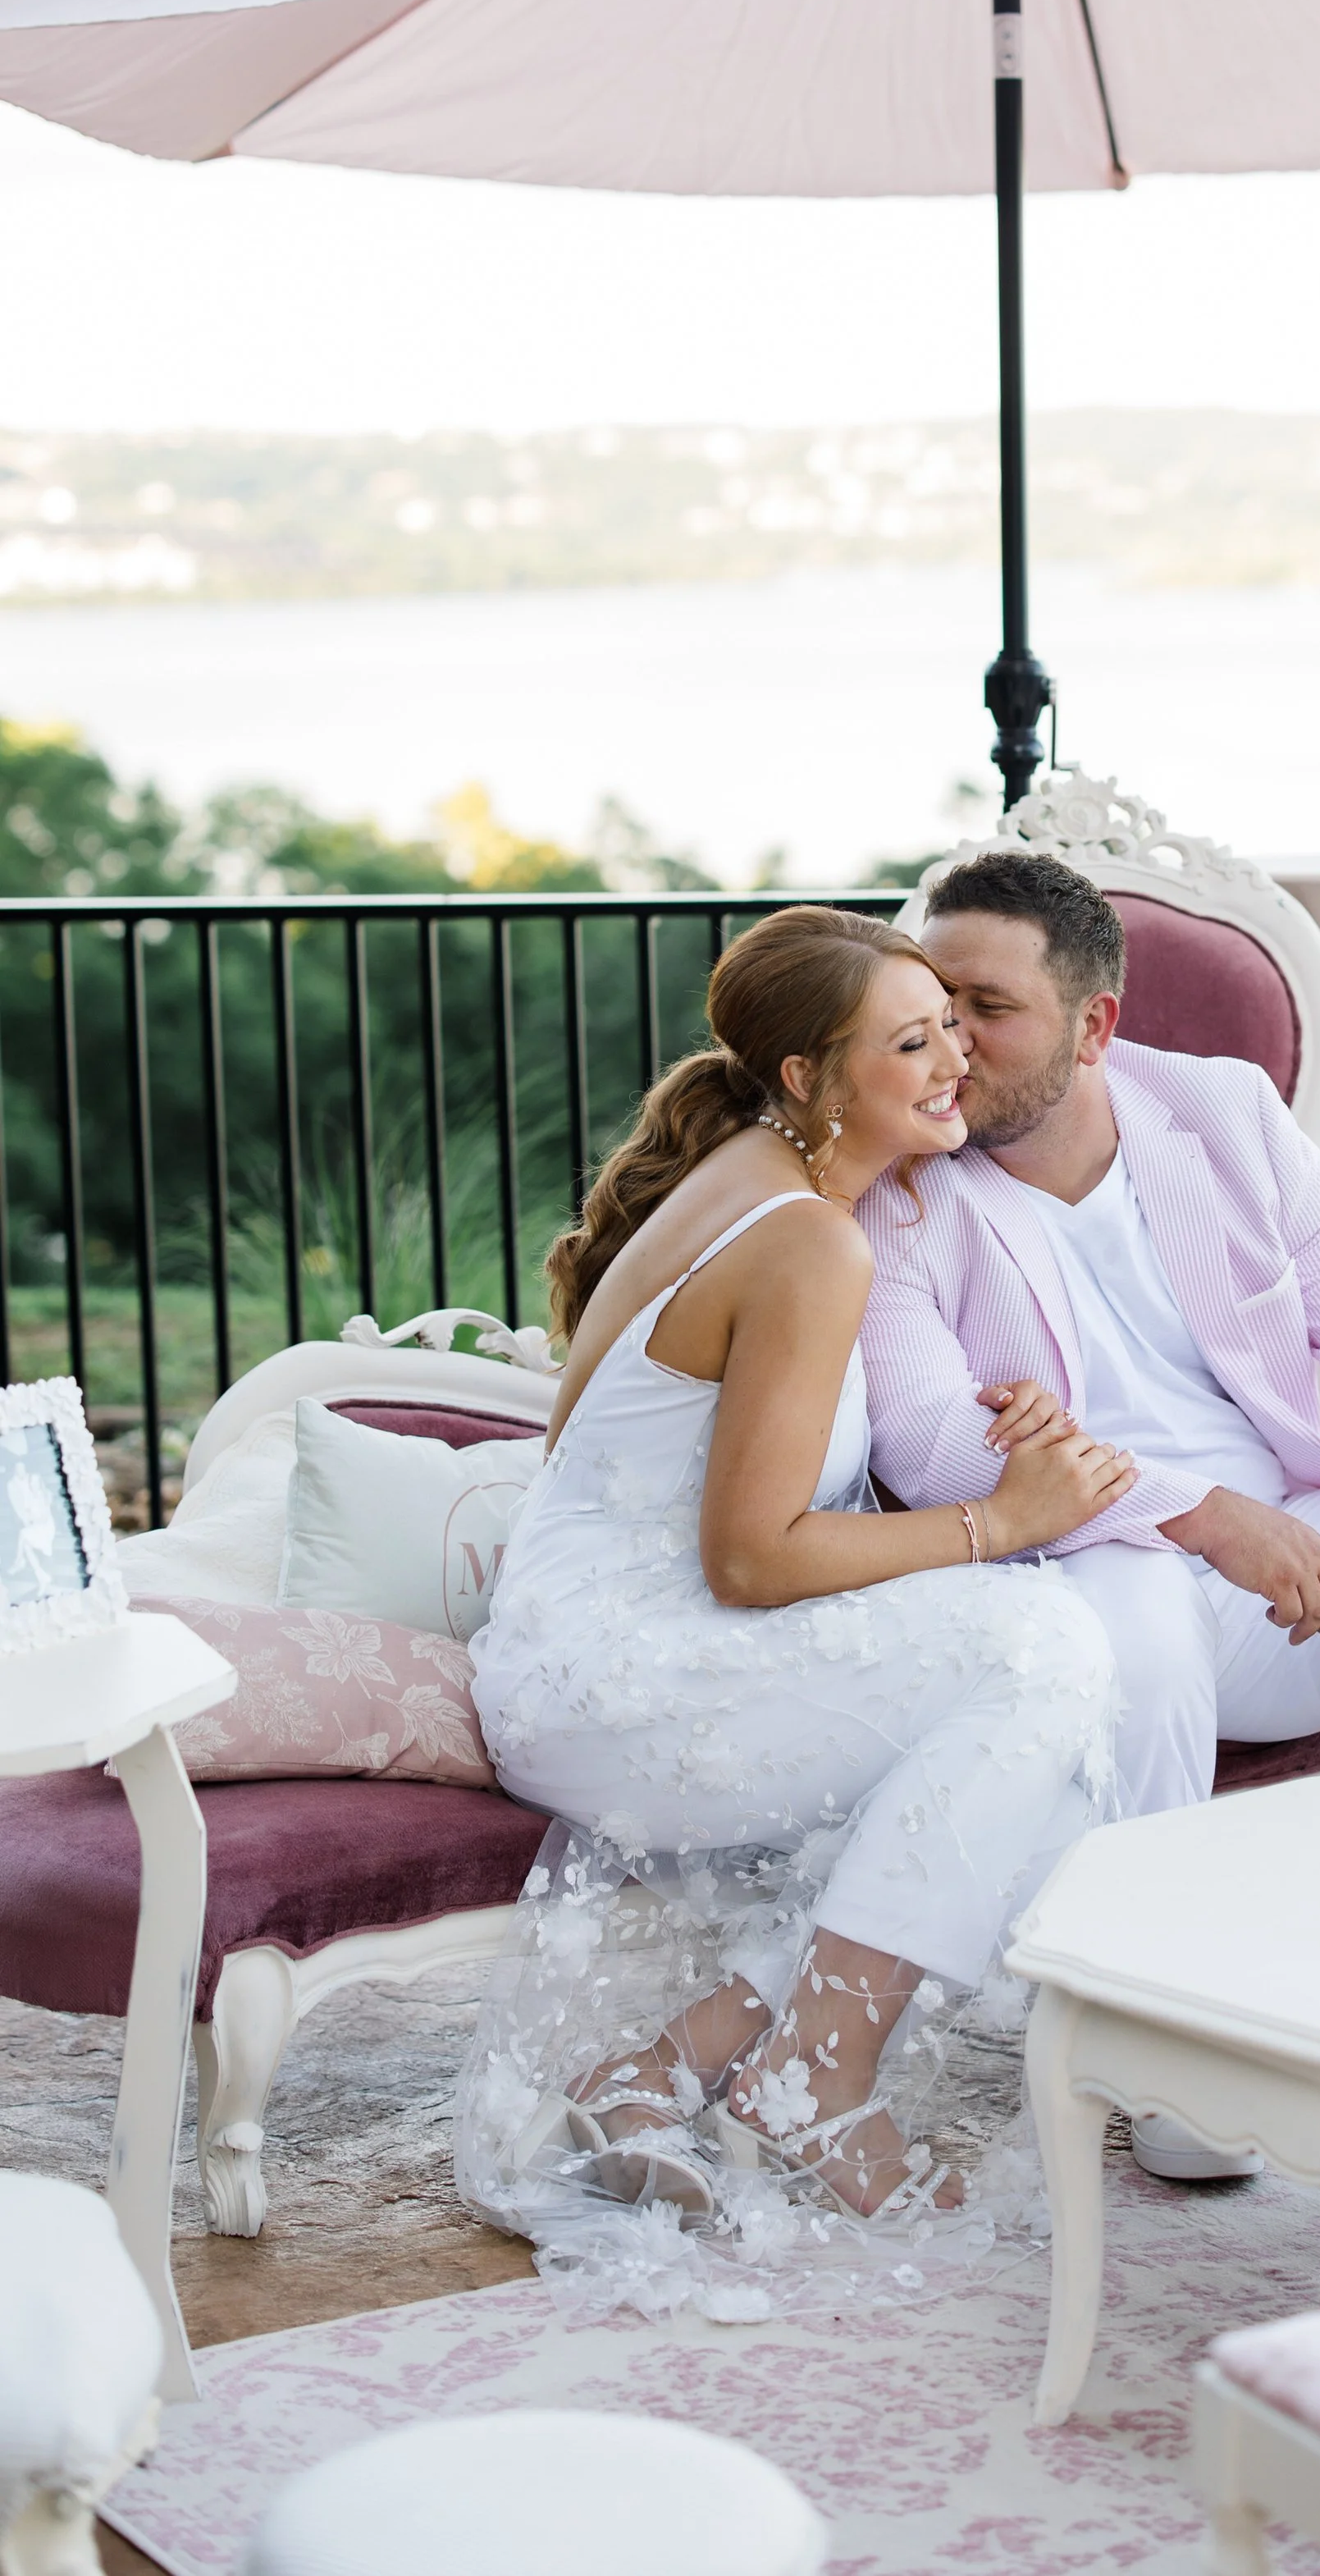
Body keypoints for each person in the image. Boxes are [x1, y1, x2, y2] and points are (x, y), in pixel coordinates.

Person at [456, 905, 1130, 2310]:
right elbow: (750, 1561)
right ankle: (818, 2079)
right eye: (909, 1040)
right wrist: (1001, 1526)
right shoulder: (812, 1241)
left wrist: (1002, 1467)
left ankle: (676, 2063)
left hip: (601, 1643)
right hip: (619, 1676)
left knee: (1041, 1737)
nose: (952, 1059)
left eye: (950, 1022)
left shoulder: (762, 1175)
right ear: (811, 1078)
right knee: (1048, 1649)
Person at [857, 853, 1320, 2168]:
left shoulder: (1222, 1113)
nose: (946, 1045)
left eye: (983, 1008)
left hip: (1291, 1565)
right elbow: (942, 1448)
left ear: (1096, 1025)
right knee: (1135, 1617)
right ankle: (1170, 2041)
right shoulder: (900, 1180)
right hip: (1090, 1571)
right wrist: (1207, 1516)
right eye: (928, 1005)